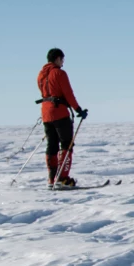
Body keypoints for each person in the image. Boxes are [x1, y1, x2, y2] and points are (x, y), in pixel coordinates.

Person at [36, 48, 87, 187]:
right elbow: (68, 93)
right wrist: (78, 109)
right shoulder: (59, 73)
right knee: (67, 144)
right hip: (60, 113)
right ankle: (63, 178)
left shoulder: (41, 75)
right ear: (57, 58)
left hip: (46, 113)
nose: (63, 63)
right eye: (62, 60)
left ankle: (52, 179)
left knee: (51, 145)